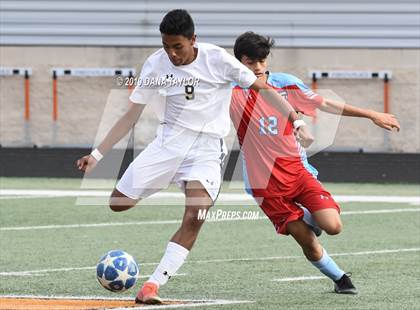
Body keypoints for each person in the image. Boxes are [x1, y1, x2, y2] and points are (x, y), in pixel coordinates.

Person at [76, 12, 314, 304]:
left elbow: (262, 89)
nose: (172, 53)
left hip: (207, 150)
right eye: (166, 46)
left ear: (193, 40)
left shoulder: (218, 60)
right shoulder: (154, 65)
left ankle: (152, 286)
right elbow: (131, 115)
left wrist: (296, 120)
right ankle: (167, 179)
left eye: (178, 46)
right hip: (168, 145)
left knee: (195, 216)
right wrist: (97, 154)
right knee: (118, 204)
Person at [230, 31, 401, 294]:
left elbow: (326, 104)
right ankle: (341, 279)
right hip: (264, 185)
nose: (259, 67)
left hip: (298, 173)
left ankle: (308, 217)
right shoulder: (229, 92)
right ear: (239, 62)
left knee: (333, 226)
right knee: (306, 241)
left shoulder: (285, 83)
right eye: (252, 62)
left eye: (263, 61)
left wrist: (371, 114)